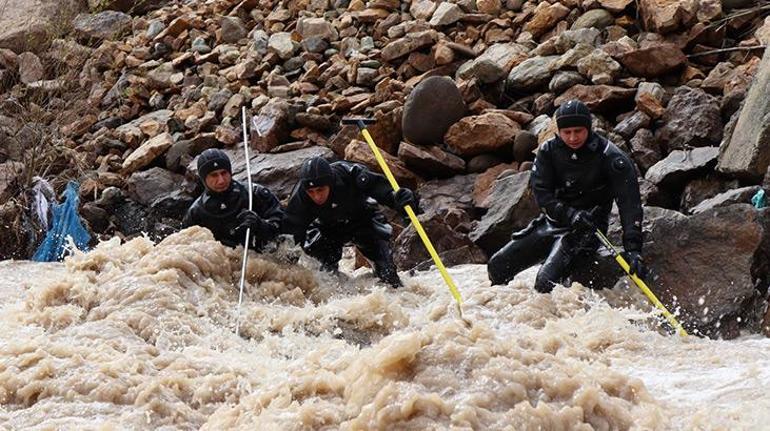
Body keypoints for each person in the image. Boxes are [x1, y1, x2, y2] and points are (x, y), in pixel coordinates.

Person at [487, 100, 646, 292]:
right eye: (567, 132)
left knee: (545, 283)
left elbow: (630, 205)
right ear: (559, 131)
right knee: (496, 266)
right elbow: (542, 194)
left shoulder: (611, 158)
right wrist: (568, 214)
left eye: (578, 131)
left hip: (588, 230)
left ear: (588, 128)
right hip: (554, 222)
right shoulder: (548, 152)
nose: (572, 138)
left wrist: (633, 249)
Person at [282, 156, 420, 287]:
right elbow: (291, 233)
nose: (316, 196)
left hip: (363, 220)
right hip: (327, 229)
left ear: (330, 183)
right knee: (324, 276)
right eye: (311, 192)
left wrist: (400, 199)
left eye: (320, 190)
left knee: (388, 274)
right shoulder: (300, 196)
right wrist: (286, 264)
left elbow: (384, 192)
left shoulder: (352, 174)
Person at [182, 148, 283, 251]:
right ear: (204, 179)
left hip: (262, 256)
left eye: (224, 173)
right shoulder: (196, 213)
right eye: (214, 175)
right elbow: (184, 248)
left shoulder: (255, 194)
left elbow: (285, 229)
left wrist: (260, 225)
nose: (221, 180)